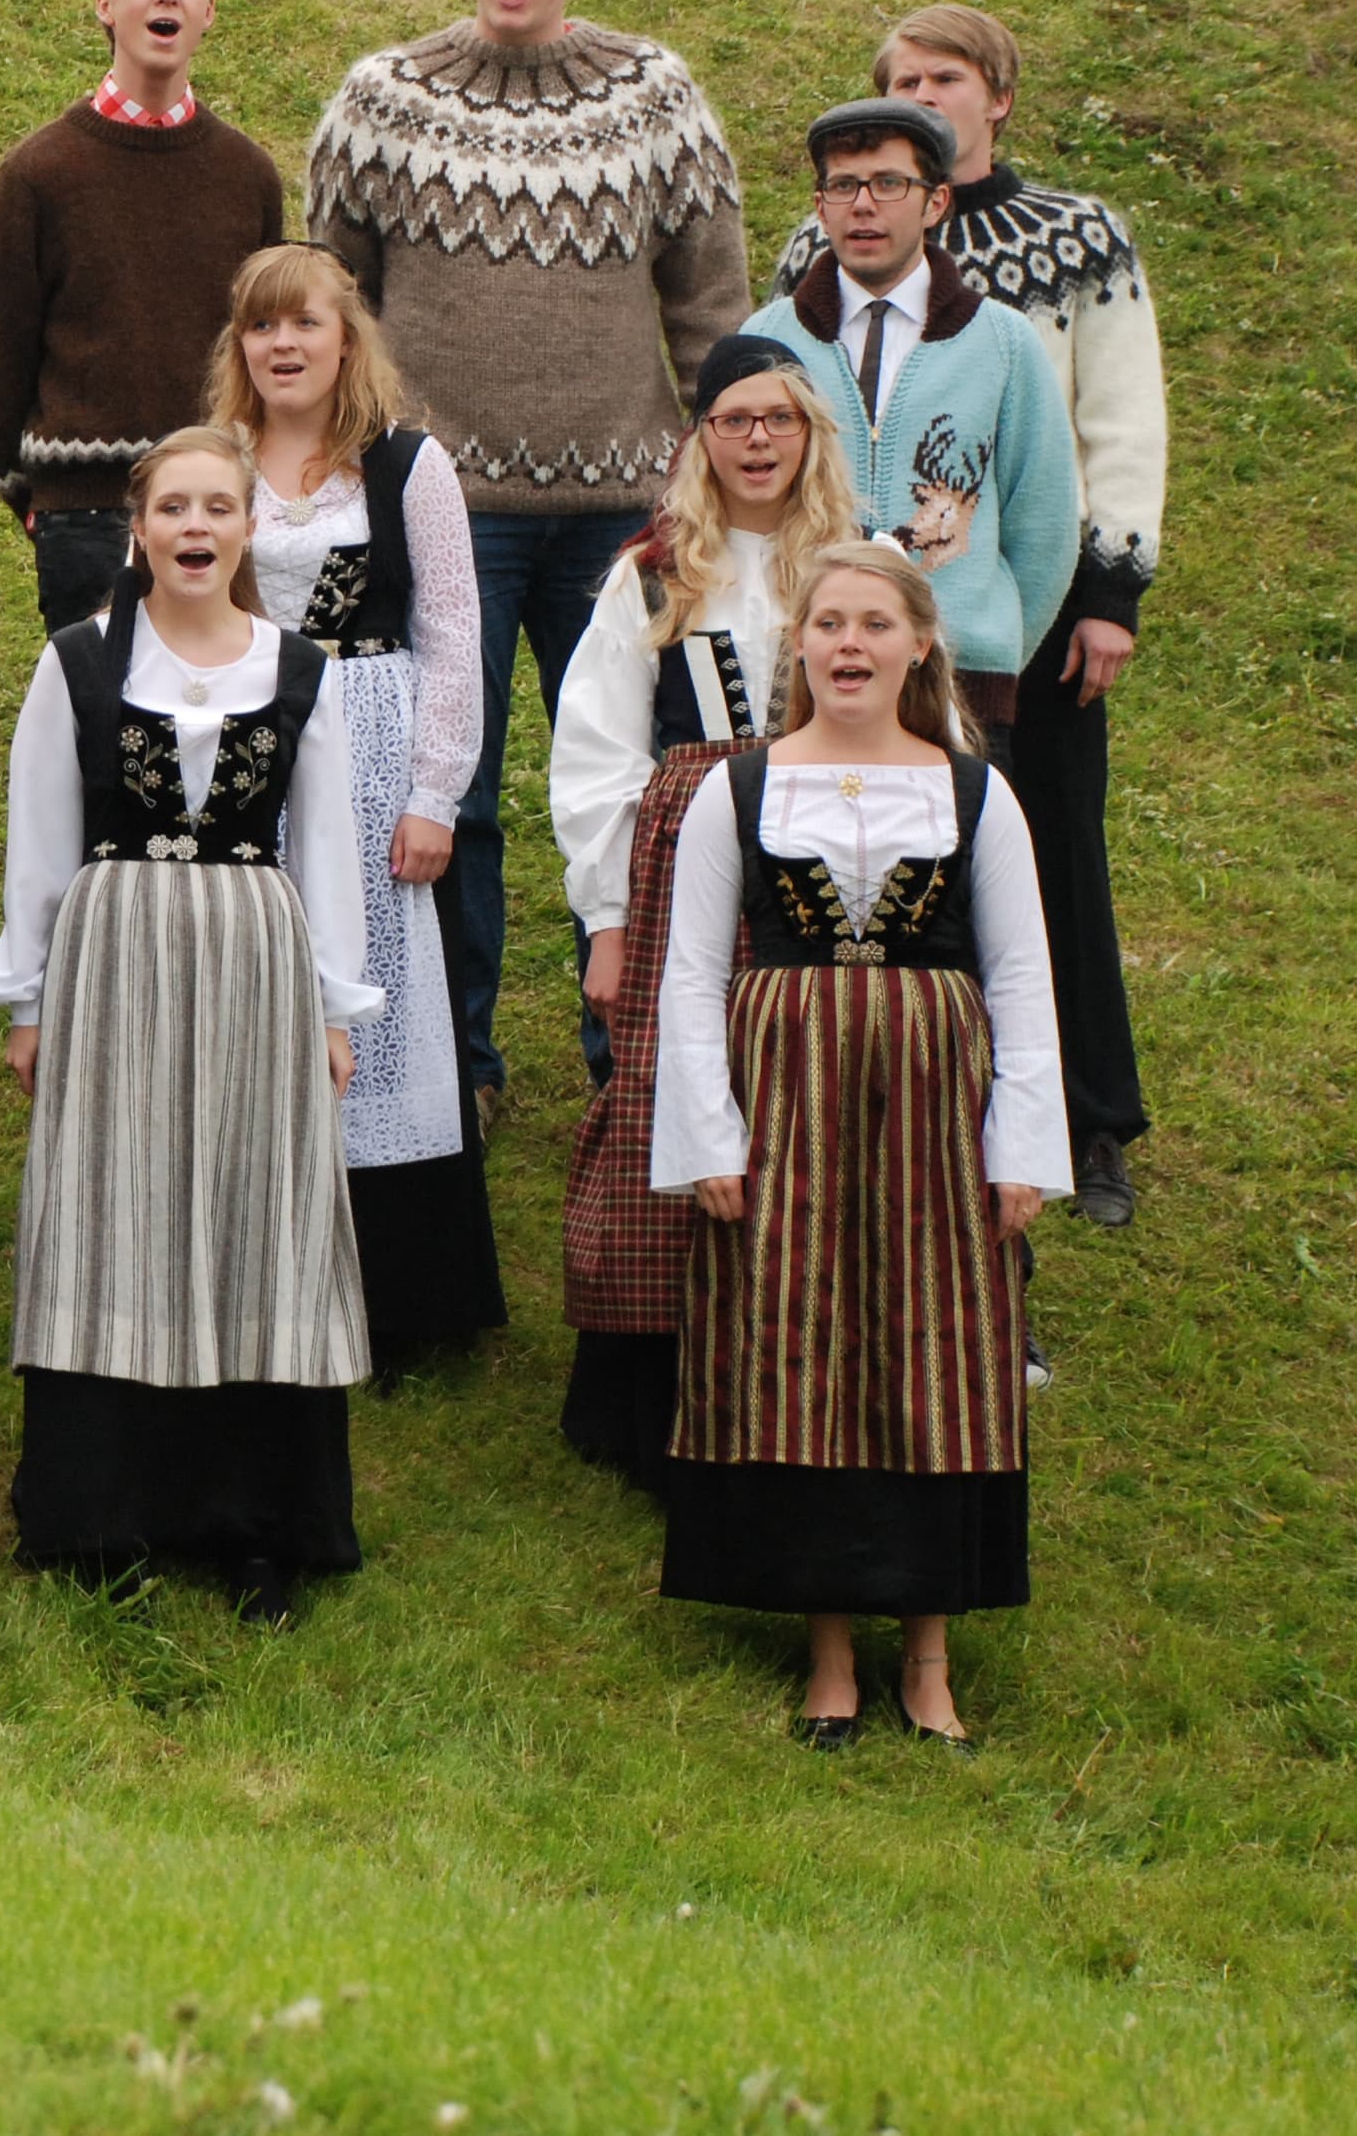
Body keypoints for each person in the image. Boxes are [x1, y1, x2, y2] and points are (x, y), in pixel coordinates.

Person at [309, 0, 750, 1117]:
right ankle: (463, 1057)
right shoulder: (382, 99)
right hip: (445, 514)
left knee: (635, 784)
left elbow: (711, 304)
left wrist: (707, 461)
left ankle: (639, 1048)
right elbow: (330, 295)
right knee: (446, 788)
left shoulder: (656, 97)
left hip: (625, 517)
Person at [650, 541, 1065, 1749]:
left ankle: (928, 1661)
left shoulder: (975, 794)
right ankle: (830, 1654)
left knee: (936, 1350)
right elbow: (684, 979)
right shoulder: (740, 789)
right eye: (827, 623)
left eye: (874, 624)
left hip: (934, 1117)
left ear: (919, 643)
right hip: (783, 1105)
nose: (848, 644)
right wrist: (706, 1139)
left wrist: (1021, 1148)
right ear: (801, 644)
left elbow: (1025, 977)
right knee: (798, 1343)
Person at [773, 6, 1161, 1226]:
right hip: (845, 641)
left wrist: (1087, 597)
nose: (924, 93)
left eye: (945, 79)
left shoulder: (1074, 238)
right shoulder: (810, 265)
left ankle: (1085, 1118)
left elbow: (1109, 425)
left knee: (1048, 864)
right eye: (902, 78)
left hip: (1005, 626)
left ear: (996, 96)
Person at [0, 426, 380, 1625]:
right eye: (175, 509)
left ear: (250, 528)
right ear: (139, 527)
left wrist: (332, 1003)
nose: (197, 529)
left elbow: (325, 847)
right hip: (116, 958)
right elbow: (43, 833)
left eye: (220, 507)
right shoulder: (79, 663)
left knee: (252, 1209)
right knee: (121, 1210)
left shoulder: (298, 668)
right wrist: (31, 999)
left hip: (256, 961)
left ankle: (259, 1525)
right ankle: (105, 1513)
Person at [545, 340, 857, 1489]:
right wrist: (610, 924)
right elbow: (593, 760)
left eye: (779, 418)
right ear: (702, 438)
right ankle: (651, 1400)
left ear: (810, 432)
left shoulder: (856, 569)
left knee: (809, 1107)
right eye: (735, 420)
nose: (759, 440)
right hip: (682, 888)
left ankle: (795, 1377)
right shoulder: (658, 572)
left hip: (827, 888)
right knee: (668, 1111)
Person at [220, 248, 498, 1373]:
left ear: (348, 340)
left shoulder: (404, 465)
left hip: (374, 740)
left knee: (379, 991)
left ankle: (401, 1293)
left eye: (305, 325)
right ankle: (261, 1267)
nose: (282, 345)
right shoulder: (214, 462)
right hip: (246, 739)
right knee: (258, 968)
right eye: (260, 327)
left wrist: (437, 792)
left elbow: (453, 632)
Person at [0, 0, 284, 633]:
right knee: (100, 731)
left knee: (218, 726)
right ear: (106, 5)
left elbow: (267, 344)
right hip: (86, 518)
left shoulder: (248, 175)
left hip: (217, 511)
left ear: (208, 13)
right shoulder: (39, 172)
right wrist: (36, 497)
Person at [737, 99, 1077, 758]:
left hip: (960, 690)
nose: (864, 205)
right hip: (799, 690)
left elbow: (1046, 530)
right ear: (820, 204)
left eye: (890, 184)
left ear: (936, 201)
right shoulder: (766, 342)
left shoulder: (1003, 345)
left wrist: (980, 642)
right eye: (844, 185)